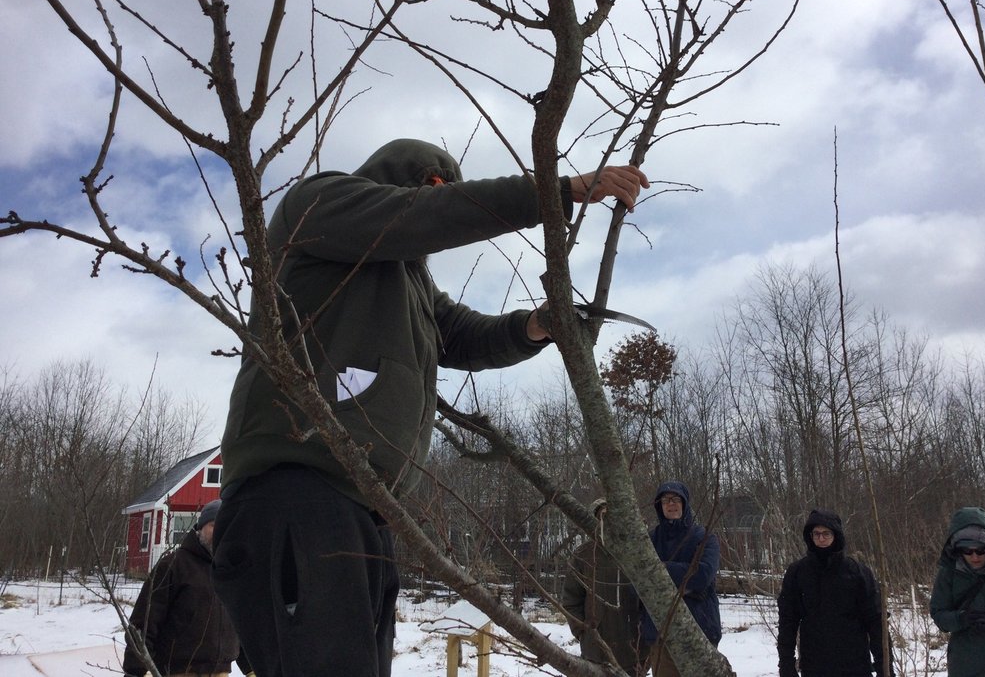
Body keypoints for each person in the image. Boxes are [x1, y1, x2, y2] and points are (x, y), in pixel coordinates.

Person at [211, 139, 649, 677]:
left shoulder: (410, 278)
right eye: (436, 189)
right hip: (296, 488)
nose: (441, 206)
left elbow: (460, 333)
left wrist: (534, 327)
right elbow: (416, 217)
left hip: (365, 506)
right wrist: (560, 192)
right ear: (401, 178)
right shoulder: (322, 203)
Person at [124, 500, 251, 677]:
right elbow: (144, 622)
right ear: (200, 528)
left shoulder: (231, 572)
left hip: (220, 672)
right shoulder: (174, 566)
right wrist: (135, 670)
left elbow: (240, 626)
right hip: (179, 670)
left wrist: (250, 668)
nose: (220, 532)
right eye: (214, 525)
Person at [776, 508, 890, 677]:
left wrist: (885, 669)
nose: (821, 538)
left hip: (854, 665)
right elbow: (788, 621)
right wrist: (786, 665)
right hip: (814, 665)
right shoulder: (798, 573)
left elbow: (876, 622)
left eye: (826, 533)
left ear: (836, 535)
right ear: (810, 536)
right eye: (816, 534)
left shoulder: (857, 572)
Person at [639, 481, 722, 677]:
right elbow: (639, 581)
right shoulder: (649, 540)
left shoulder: (704, 536)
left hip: (700, 629)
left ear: (684, 503)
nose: (671, 504)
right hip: (660, 634)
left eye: (676, 499)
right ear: (659, 506)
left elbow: (703, 575)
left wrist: (660, 569)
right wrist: (684, 582)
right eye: (666, 500)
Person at [562, 498, 648, 675]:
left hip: (634, 646)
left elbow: (652, 598)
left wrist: (646, 633)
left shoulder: (638, 552)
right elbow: (571, 600)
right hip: (596, 648)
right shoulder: (583, 555)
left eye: (613, 516)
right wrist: (583, 632)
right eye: (603, 516)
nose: (608, 522)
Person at [930, 506, 985, 677]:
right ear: (958, 549)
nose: (975, 557)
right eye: (967, 551)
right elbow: (939, 613)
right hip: (965, 662)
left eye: (981, 550)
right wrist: (961, 618)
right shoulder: (949, 573)